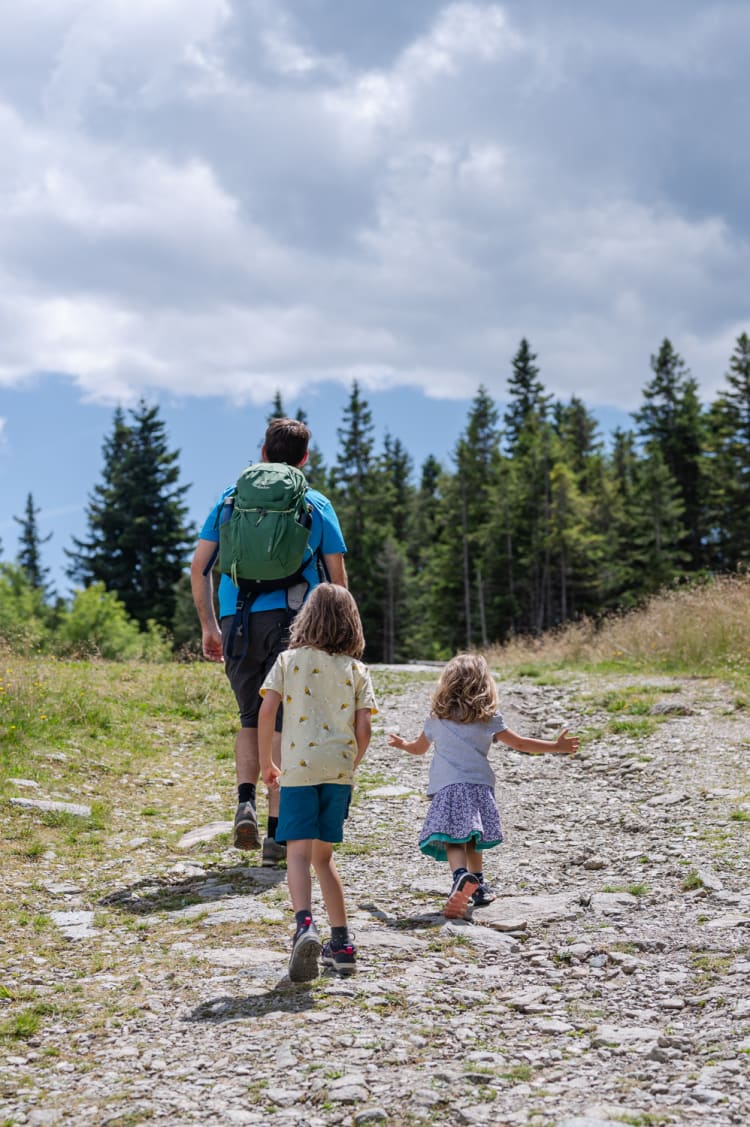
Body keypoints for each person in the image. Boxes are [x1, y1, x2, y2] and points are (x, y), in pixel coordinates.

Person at [190, 418, 347, 866]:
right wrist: (341, 635)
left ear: (262, 453)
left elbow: (200, 566)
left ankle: (245, 802)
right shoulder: (315, 503)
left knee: (248, 716)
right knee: (282, 720)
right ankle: (277, 836)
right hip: (297, 623)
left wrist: (209, 625)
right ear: (305, 459)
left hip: (236, 619)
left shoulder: (230, 500)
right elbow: (336, 578)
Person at [388, 653, 579, 919]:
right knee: (473, 838)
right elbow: (521, 744)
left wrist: (402, 745)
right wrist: (555, 747)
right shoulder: (488, 717)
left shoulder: (436, 718)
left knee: (451, 837)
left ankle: (460, 876)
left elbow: (419, 749)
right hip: (479, 786)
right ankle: (477, 885)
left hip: (448, 787)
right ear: (484, 684)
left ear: (447, 683)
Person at [258, 583, 377, 981]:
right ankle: (342, 943)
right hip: (337, 772)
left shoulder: (289, 660)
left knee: (296, 853)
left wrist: (267, 763)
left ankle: (304, 926)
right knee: (324, 858)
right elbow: (364, 728)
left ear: (307, 617)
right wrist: (351, 763)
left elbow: (266, 710)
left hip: (299, 771)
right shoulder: (357, 670)